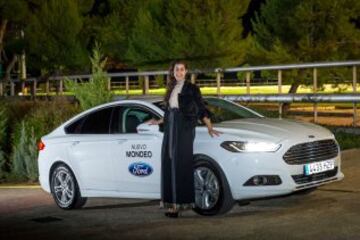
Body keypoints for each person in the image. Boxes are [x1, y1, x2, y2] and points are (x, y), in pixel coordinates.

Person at [146, 60, 222, 218]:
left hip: (184, 128)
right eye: (176, 70)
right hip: (170, 127)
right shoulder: (172, 88)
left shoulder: (192, 88)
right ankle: (171, 204)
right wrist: (158, 121)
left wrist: (209, 126)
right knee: (169, 163)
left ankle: (179, 205)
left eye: (181, 69)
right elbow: (169, 111)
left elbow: (201, 108)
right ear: (173, 72)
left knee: (180, 165)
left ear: (186, 71)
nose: (179, 72)